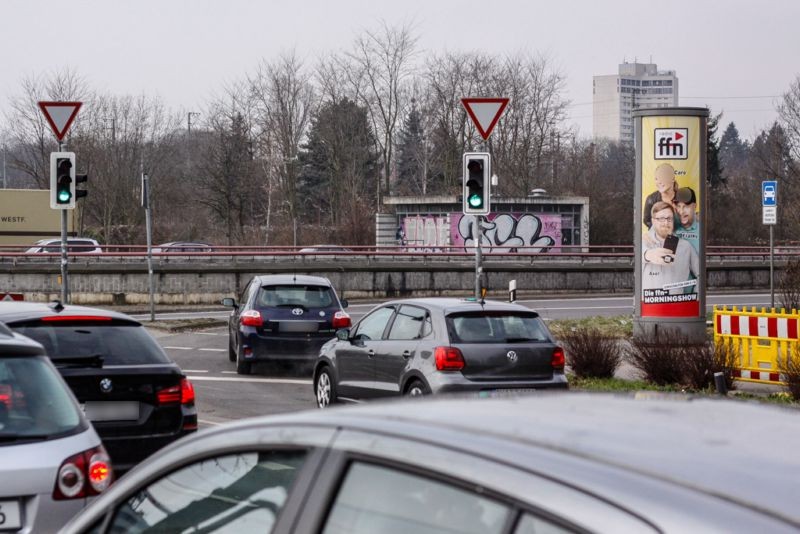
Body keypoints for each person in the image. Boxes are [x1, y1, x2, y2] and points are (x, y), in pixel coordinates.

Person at [642, 201, 699, 295]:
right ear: (653, 221)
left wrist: (696, 296)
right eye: (661, 219)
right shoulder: (644, 243)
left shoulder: (685, 246)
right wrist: (647, 255)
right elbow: (636, 258)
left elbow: (700, 273)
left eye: (669, 219)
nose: (666, 223)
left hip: (677, 304)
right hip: (651, 305)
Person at [643, 163, 679, 229]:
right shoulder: (651, 199)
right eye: (656, 178)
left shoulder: (682, 197)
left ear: (673, 179)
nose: (659, 181)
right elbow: (647, 221)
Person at [672, 186, 699, 253]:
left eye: (686, 206)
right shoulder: (671, 222)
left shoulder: (701, 226)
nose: (681, 211)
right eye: (678, 206)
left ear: (695, 206)